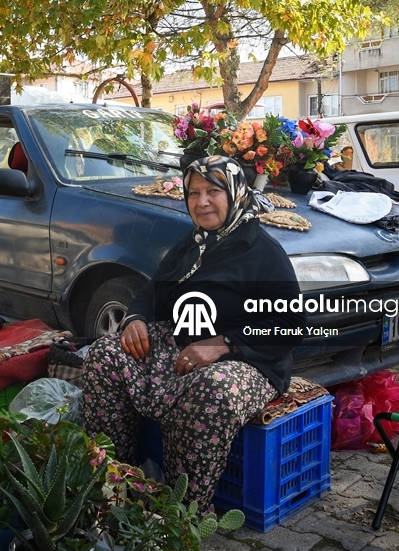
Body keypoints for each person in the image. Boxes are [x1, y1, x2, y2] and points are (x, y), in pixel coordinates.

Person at [81, 156, 305, 512]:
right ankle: (117, 484)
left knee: (211, 389)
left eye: (213, 191)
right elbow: (153, 292)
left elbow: (290, 327)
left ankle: (183, 512)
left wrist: (223, 345)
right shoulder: (193, 244)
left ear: (235, 194)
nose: (202, 202)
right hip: (182, 343)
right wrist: (135, 318)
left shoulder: (262, 252)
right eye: (194, 193)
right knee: (104, 355)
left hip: (250, 359)